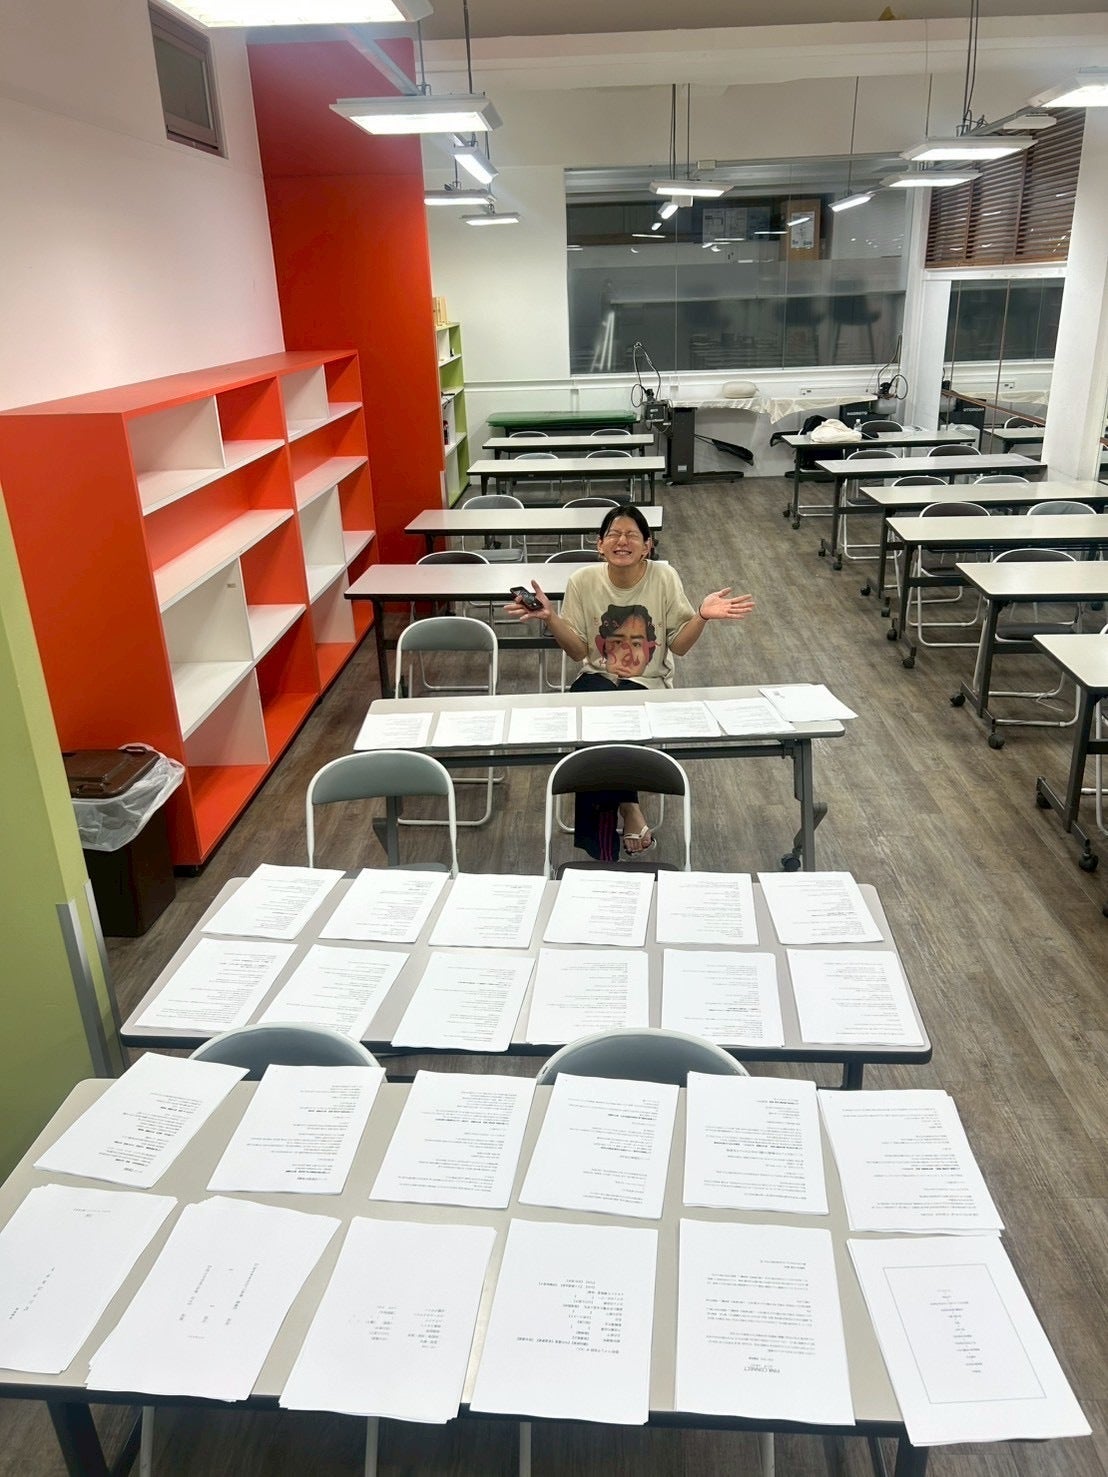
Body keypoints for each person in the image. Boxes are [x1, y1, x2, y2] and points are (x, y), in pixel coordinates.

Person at [503, 503, 754, 859]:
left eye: (632, 535)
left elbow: (679, 646)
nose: (622, 541)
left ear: (647, 545)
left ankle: (604, 850)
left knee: (602, 734)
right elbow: (577, 652)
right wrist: (550, 618)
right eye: (614, 535)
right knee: (597, 722)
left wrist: (701, 616)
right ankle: (628, 806)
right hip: (596, 678)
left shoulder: (664, 578)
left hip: (647, 684)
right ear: (599, 544)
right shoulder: (582, 581)